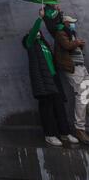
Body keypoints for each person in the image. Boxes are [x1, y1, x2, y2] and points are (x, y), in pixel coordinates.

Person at [22, 9, 78, 146]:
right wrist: (40, 19)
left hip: (53, 78)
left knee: (59, 106)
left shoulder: (44, 44)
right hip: (42, 81)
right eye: (36, 32)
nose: (38, 34)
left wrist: (58, 13)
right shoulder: (30, 44)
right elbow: (34, 32)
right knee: (46, 108)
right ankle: (50, 135)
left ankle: (65, 133)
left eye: (39, 33)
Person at [54, 15, 89, 144]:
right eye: (71, 22)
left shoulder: (71, 33)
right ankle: (79, 129)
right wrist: (77, 43)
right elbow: (67, 46)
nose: (73, 24)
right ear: (66, 23)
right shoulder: (61, 33)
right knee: (81, 96)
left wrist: (79, 45)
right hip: (73, 69)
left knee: (86, 95)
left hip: (81, 68)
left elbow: (73, 48)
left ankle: (82, 125)